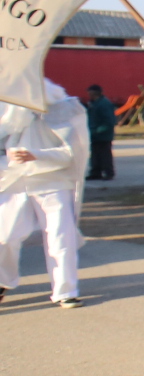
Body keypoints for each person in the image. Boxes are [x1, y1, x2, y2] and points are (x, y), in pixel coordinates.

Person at [0, 79, 90, 308]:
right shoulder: (9, 112)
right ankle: (4, 280)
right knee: (6, 235)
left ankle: (66, 291)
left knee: (60, 238)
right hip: (15, 181)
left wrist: (37, 155)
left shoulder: (63, 110)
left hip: (53, 182)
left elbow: (73, 154)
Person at [83, 84, 117, 180]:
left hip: (103, 135)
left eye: (90, 92)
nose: (88, 94)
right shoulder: (94, 103)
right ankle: (95, 172)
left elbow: (109, 121)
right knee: (95, 155)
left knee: (105, 155)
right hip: (94, 134)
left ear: (94, 93)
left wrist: (99, 130)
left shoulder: (104, 104)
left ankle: (109, 173)